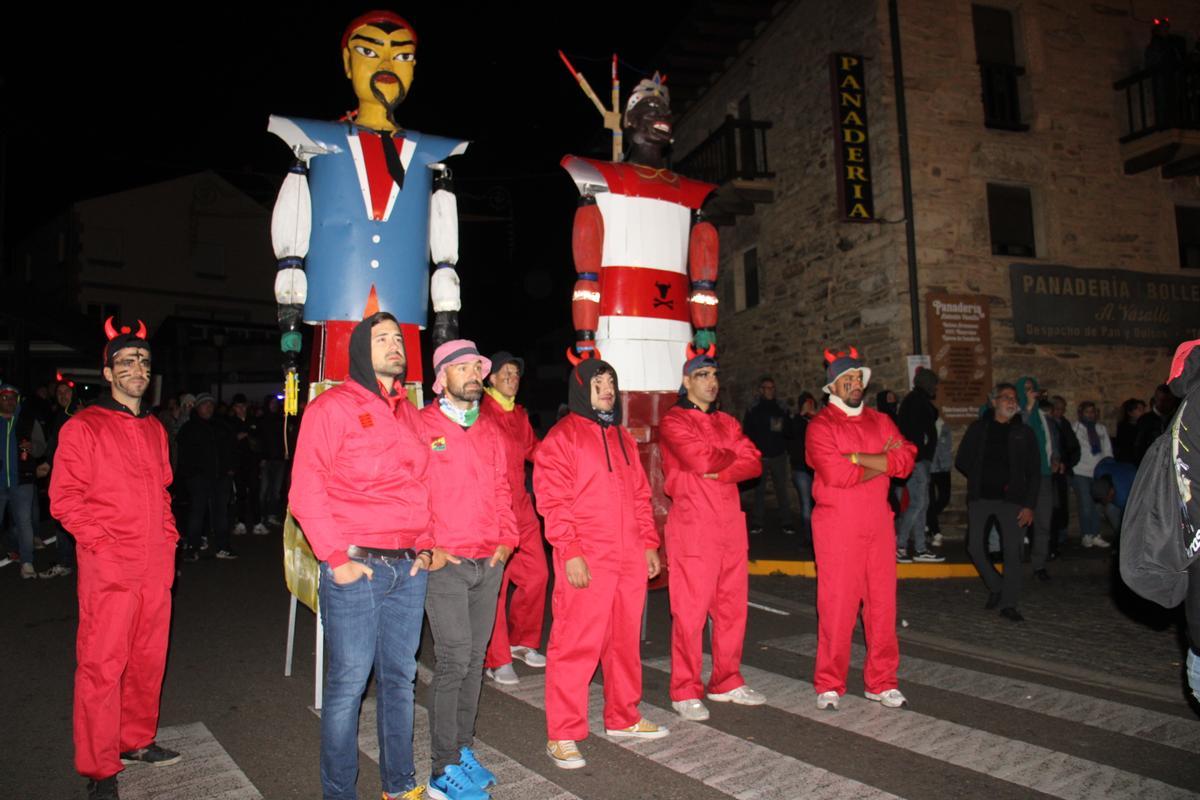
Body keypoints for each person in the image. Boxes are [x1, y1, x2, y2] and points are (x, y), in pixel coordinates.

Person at [289, 312, 435, 800]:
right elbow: (305, 490)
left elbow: (424, 487)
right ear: (358, 350)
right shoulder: (332, 408)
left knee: (400, 681)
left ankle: (400, 787)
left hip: (408, 568)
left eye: (399, 338)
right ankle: (339, 794)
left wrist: (427, 544)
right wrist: (336, 558)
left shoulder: (411, 413)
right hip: (357, 567)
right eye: (383, 339)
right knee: (348, 687)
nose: (396, 345)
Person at [50, 321, 182, 800]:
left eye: (144, 362)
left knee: (148, 659)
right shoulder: (83, 426)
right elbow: (64, 499)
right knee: (102, 664)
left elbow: (164, 490)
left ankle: (135, 740)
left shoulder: (154, 428)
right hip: (109, 566)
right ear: (108, 372)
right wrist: (103, 545)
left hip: (154, 564)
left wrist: (168, 538)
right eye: (127, 362)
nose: (138, 369)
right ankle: (100, 765)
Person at [534, 358, 666, 769]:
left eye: (611, 381)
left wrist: (648, 544)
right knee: (575, 644)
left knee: (624, 642)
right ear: (580, 389)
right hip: (588, 556)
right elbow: (553, 502)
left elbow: (641, 497)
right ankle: (563, 733)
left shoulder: (623, 439)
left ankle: (623, 716)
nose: (606, 388)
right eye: (598, 382)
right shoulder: (563, 438)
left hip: (628, 557)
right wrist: (570, 552)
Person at [419, 340, 518, 800]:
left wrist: (507, 540)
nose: (473, 374)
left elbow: (504, 490)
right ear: (442, 379)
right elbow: (410, 492)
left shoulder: (490, 430)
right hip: (448, 565)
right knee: (454, 660)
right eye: (462, 368)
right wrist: (428, 546)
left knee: (475, 662)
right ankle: (441, 772)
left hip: (488, 562)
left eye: (476, 367)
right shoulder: (422, 426)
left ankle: (461, 750)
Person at [806, 347, 916, 710]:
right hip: (838, 525)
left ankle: (882, 680)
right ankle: (829, 682)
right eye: (847, 380)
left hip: (878, 523)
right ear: (832, 388)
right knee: (837, 605)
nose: (855, 384)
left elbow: (906, 459)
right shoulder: (821, 426)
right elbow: (836, 474)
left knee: (882, 605)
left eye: (858, 379)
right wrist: (882, 463)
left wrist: (857, 458)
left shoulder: (881, 420)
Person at [660, 347, 765, 722]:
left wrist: (720, 468)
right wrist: (726, 458)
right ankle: (684, 688)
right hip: (693, 526)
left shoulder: (728, 422)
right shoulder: (674, 421)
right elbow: (698, 459)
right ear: (687, 381)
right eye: (702, 375)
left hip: (730, 524)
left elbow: (753, 462)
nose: (711, 382)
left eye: (714, 376)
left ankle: (726, 679)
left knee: (732, 609)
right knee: (689, 613)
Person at [480, 351, 548, 687]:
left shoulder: (518, 415)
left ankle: (522, 642)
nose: (512, 377)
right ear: (490, 379)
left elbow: (535, 450)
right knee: (496, 586)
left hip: (521, 507)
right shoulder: (480, 414)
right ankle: (497, 658)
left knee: (537, 575)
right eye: (505, 372)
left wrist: (565, 453)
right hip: (493, 510)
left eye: (516, 372)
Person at [956, 383, 1040, 622]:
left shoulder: (1024, 433)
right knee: (974, 547)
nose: (1011, 402)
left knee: (1012, 552)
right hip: (981, 498)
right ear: (993, 402)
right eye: (1006, 398)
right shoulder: (979, 428)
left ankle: (1009, 603)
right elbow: (962, 460)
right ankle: (996, 585)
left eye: (1014, 398)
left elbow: (1034, 472)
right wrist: (979, 477)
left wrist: (1029, 505)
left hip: (1012, 501)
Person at [176, 394, 237, 561]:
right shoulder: (189, 428)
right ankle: (192, 547)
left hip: (220, 478)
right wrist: (190, 475)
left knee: (221, 513)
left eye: (211, 404)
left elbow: (230, 448)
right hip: (199, 478)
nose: (208, 408)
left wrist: (230, 468)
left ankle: (222, 547)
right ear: (198, 407)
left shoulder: (221, 426)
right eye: (205, 405)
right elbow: (183, 454)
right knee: (197, 512)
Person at [895, 368, 945, 562]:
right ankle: (901, 545)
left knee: (921, 504)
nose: (936, 389)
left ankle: (920, 547)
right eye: (934, 385)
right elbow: (918, 431)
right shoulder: (916, 401)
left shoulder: (917, 400)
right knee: (918, 504)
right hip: (916, 461)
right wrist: (920, 453)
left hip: (918, 460)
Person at [1, 383, 46, 578]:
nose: (9, 401)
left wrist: (32, 446)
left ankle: (27, 562)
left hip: (23, 481)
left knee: (24, 522)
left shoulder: (27, 420)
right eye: (4, 397)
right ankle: (14, 548)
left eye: (13, 398)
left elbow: (41, 447)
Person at [742, 375, 795, 534]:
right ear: (761, 390)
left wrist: (784, 425)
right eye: (767, 387)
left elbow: (789, 431)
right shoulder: (753, 408)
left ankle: (787, 521)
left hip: (778, 455)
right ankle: (757, 522)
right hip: (760, 456)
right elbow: (747, 432)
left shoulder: (781, 407)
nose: (770, 390)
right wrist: (753, 452)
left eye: (772, 388)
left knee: (781, 490)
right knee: (759, 491)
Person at [41, 381, 82, 577]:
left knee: (65, 518)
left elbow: (62, 445)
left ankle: (66, 562)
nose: (63, 395)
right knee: (65, 519)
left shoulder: (75, 412)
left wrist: (48, 463)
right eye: (59, 392)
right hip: (66, 474)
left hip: (73, 477)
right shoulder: (62, 413)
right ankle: (68, 561)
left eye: (66, 391)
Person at [1016, 376, 1055, 581]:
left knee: (1043, 521)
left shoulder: (1043, 415)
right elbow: (1019, 428)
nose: (1032, 392)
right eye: (1027, 389)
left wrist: (1055, 458)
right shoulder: (1018, 413)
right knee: (1020, 520)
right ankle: (1016, 562)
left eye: (1034, 388)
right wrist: (1028, 406)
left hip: (1043, 475)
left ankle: (1039, 564)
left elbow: (1050, 440)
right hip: (1024, 476)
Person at [1071, 401, 1113, 549]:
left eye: (1092, 411)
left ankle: (1096, 534)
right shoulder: (1076, 428)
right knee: (1085, 504)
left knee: (1097, 505)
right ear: (1081, 413)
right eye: (1087, 411)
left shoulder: (1101, 428)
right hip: (1081, 471)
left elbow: (1107, 450)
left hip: (1098, 472)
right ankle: (1086, 534)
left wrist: (1108, 468)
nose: (1090, 414)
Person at [1047, 395, 1080, 559]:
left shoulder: (1064, 424)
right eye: (1057, 409)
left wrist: (1067, 463)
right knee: (1053, 504)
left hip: (1063, 470)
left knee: (1062, 504)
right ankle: (1053, 538)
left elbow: (1073, 446)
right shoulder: (1047, 423)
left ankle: (1060, 535)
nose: (1060, 412)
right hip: (1051, 471)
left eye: (1062, 409)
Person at [786, 392, 817, 545]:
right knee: (806, 503)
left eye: (810, 402)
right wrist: (800, 416)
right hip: (800, 468)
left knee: (817, 503)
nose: (809, 405)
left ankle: (818, 534)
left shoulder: (818, 421)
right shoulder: (795, 420)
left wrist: (814, 417)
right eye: (806, 402)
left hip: (816, 469)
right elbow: (789, 434)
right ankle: (808, 536)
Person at [926, 417, 953, 549]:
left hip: (943, 468)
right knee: (930, 501)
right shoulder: (924, 426)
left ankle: (928, 520)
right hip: (930, 468)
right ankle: (936, 532)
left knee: (944, 498)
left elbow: (948, 447)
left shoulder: (945, 427)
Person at [1134, 384, 1178, 464]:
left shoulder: (1176, 419)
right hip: (1150, 463)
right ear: (1155, 399)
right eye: (1160, 400)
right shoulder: (1145, 420)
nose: (1164, 404)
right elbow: (1138, 446)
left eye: (1167, 400)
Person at [1113, 397, 1145, 463]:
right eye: (1139, 410)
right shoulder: (1124, 428)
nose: (1143, 413)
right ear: (1130, 412)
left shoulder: (1143, 425)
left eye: (1143, 410)